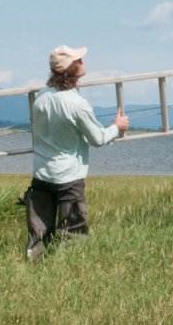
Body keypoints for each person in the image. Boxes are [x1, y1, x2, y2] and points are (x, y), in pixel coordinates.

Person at [23, 44, 129, 262]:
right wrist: (117, 127)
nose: (83, 63)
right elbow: (97, 138)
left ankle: (32, 268)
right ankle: (66, 273)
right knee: (73, 234)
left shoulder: (41, 98)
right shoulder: (77, 104)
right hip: (68, 177)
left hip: (42, 174)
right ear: (72, 68)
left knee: (38, 235)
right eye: (79, 60)